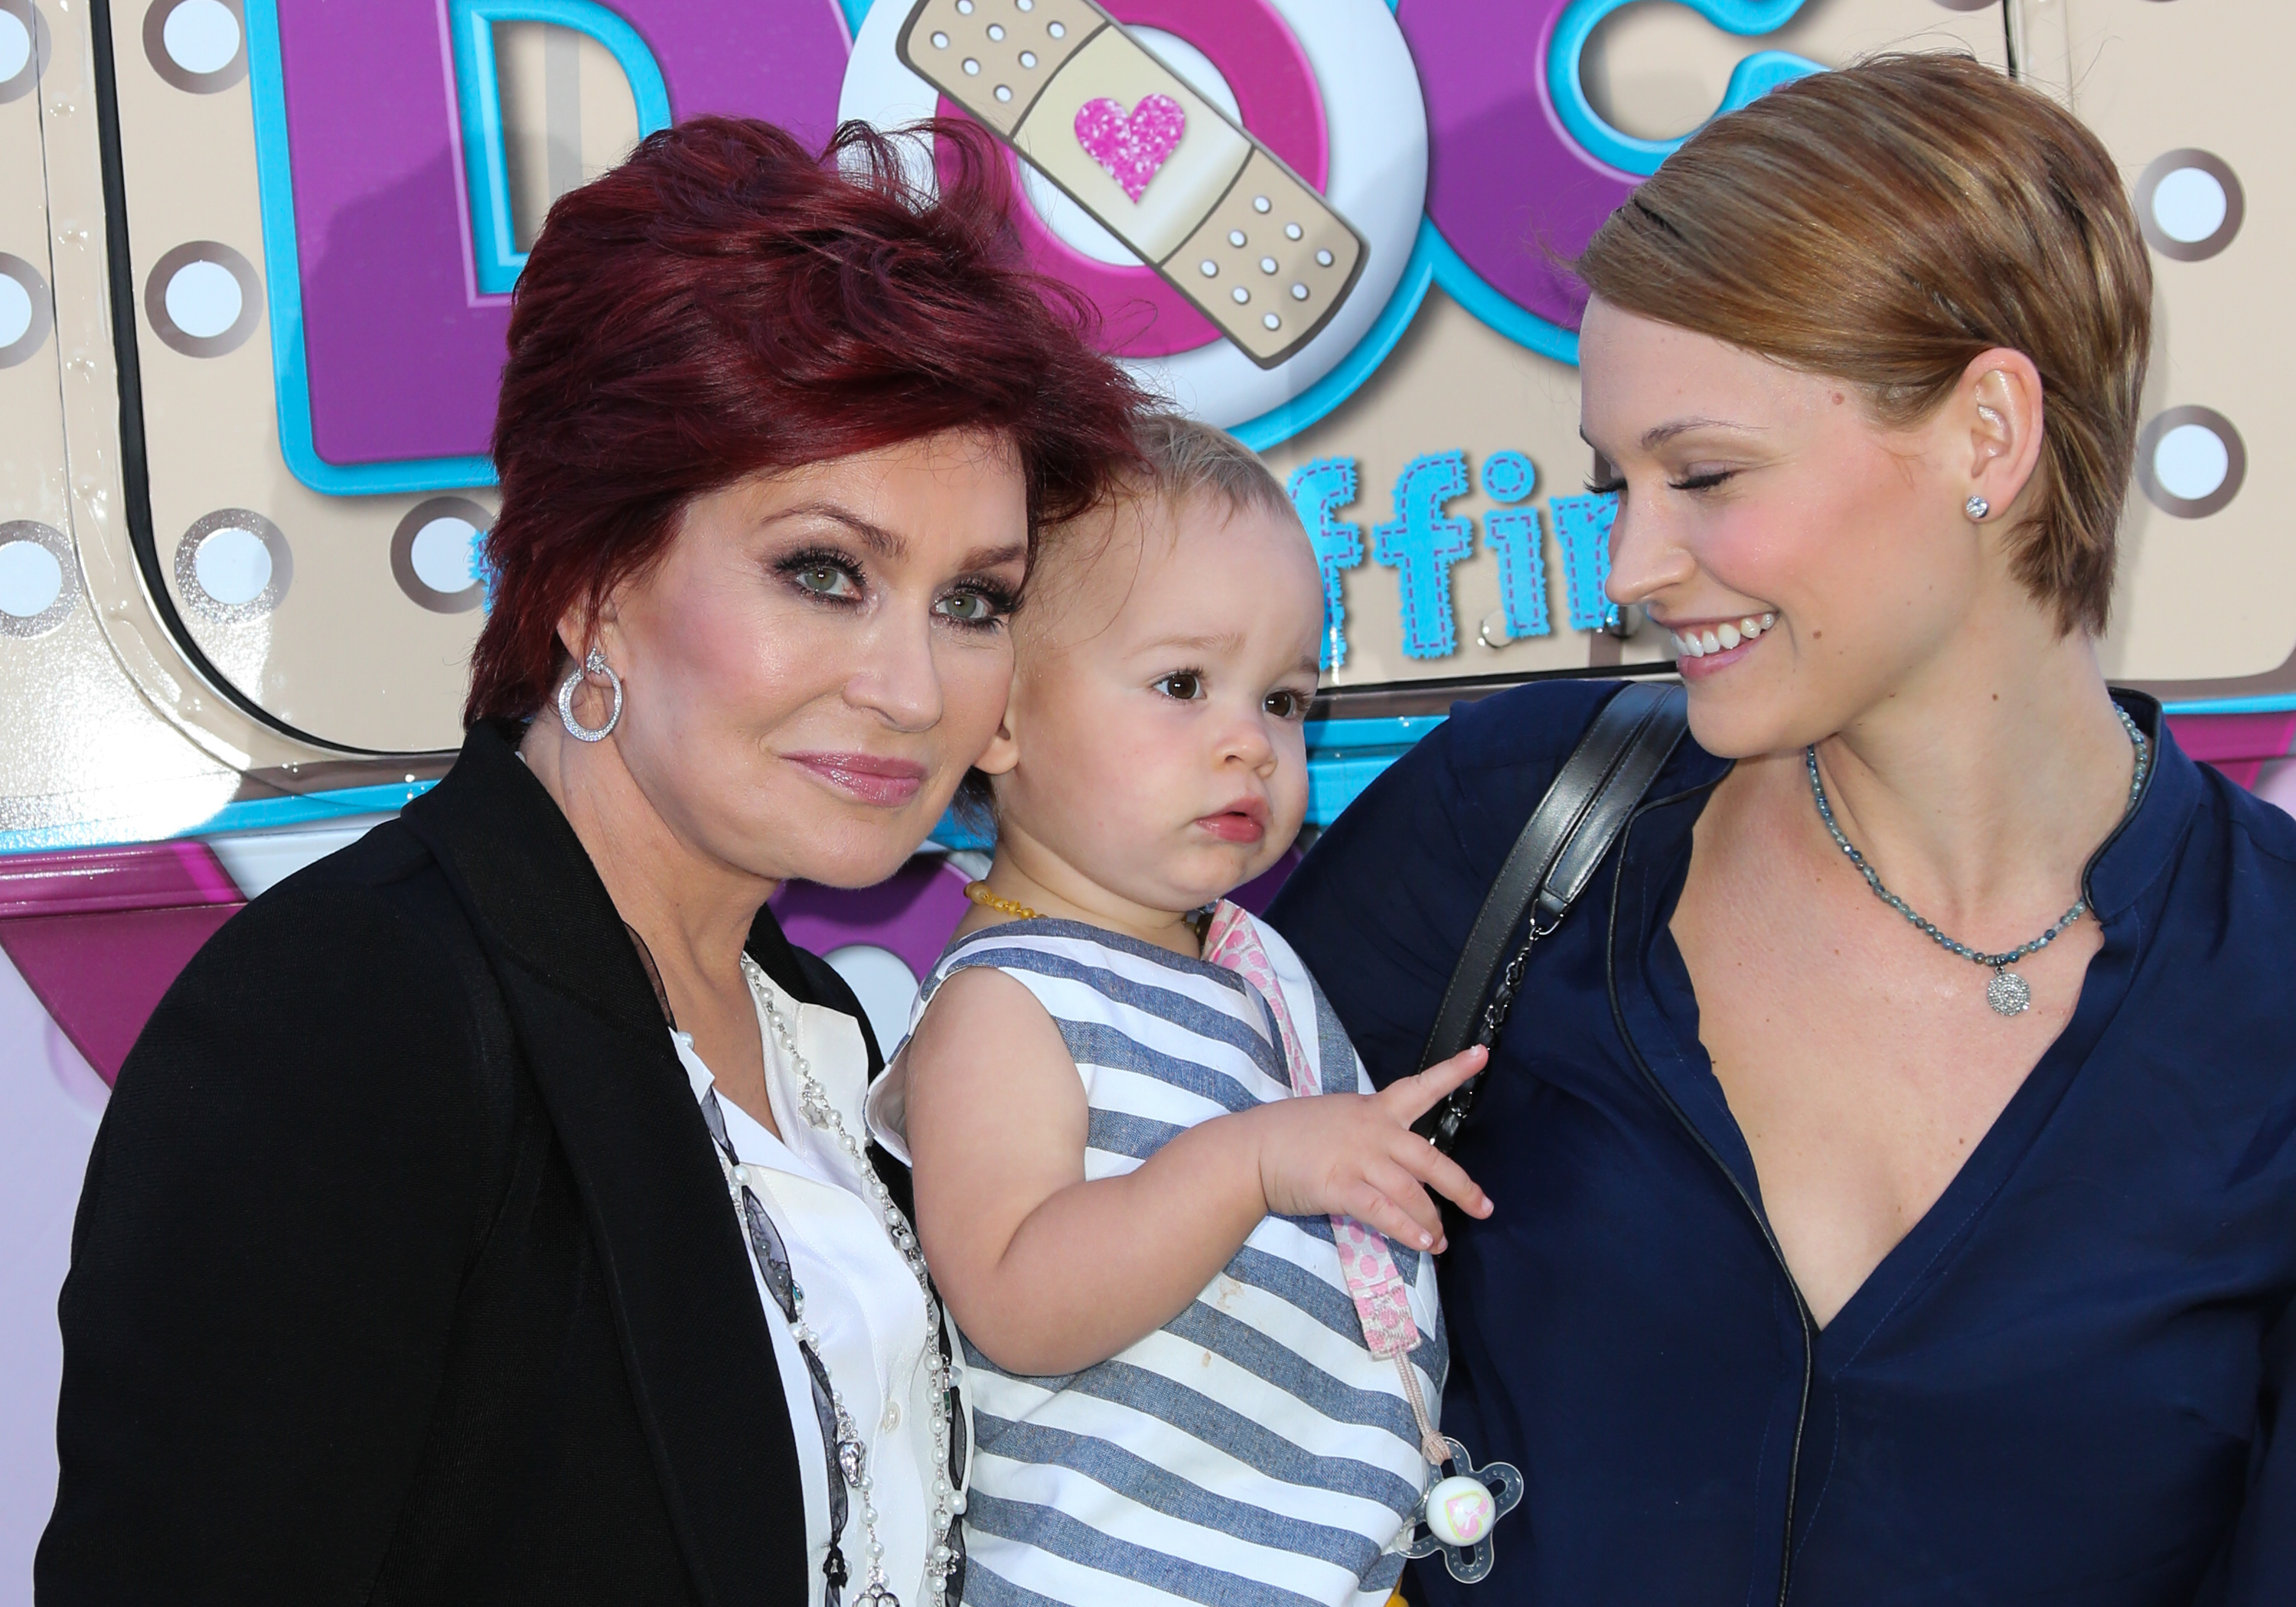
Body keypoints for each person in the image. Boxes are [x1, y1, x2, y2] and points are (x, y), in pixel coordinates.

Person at [38, 116, 1143, 1606]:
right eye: (825, 571)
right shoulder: (350, 1016)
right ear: (594, 578)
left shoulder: (816, 1031)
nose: (913, 686)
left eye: (973, 600)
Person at [1269, 54, 2296, 1605]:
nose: (1630, 563)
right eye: (1617, 483)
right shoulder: (1512, 836)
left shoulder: (2275, 993)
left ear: (1987, 438)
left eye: (1705, 475)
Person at [883, 416, 1494, 1605]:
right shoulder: (1006, 1003)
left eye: (1283, 700)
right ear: (998, 717)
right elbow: (1016, 1298)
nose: (1252, 747)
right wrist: (1256, 1163)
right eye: (1183, 685)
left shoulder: (1249, 959)